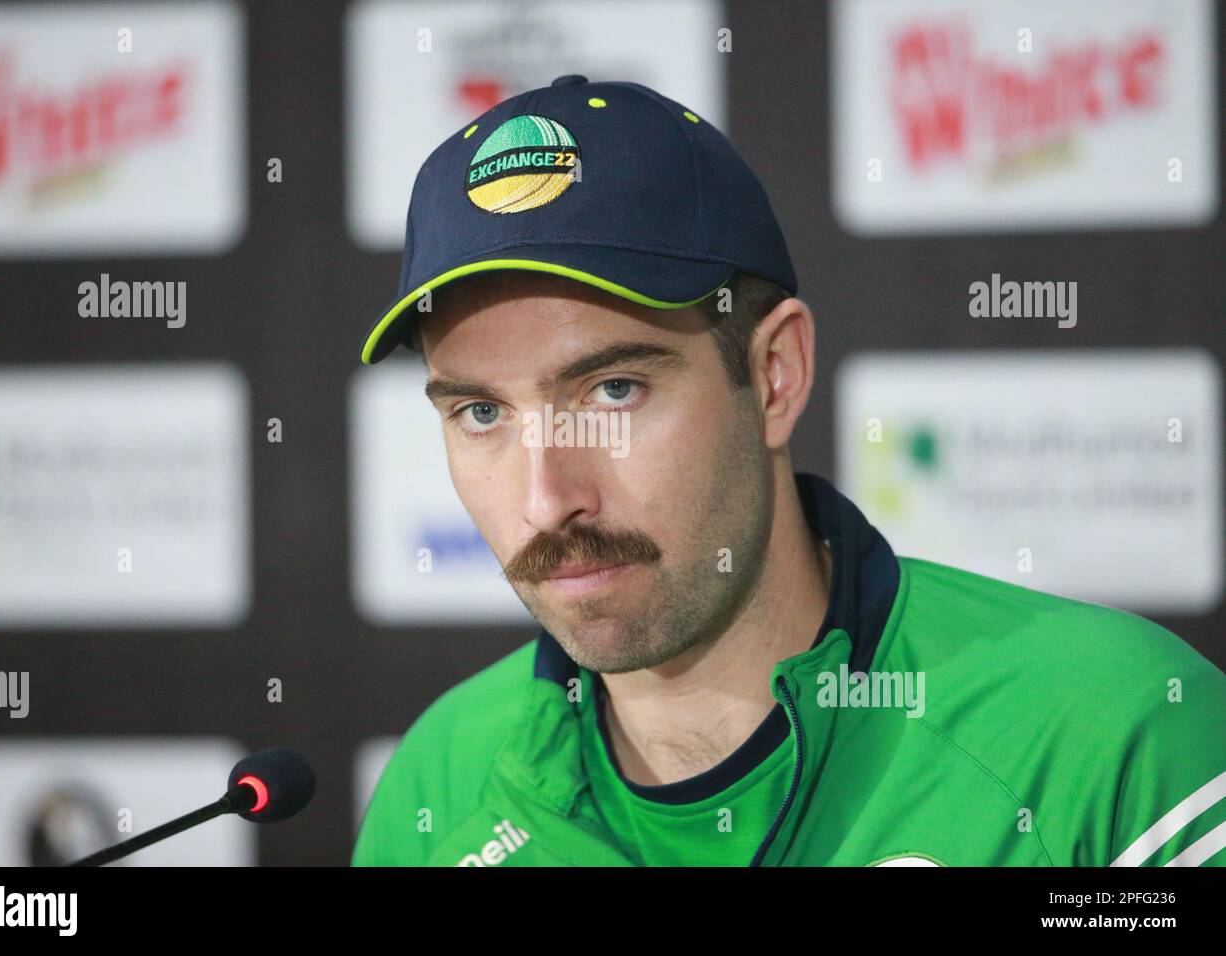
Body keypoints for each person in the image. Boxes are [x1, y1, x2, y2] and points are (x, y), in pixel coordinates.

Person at [352, 76, 1226, 866]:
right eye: (482, 413)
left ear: (776, 374)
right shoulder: (438, 787)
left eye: (614, 390)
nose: (547, 500)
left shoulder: (1114, 734)